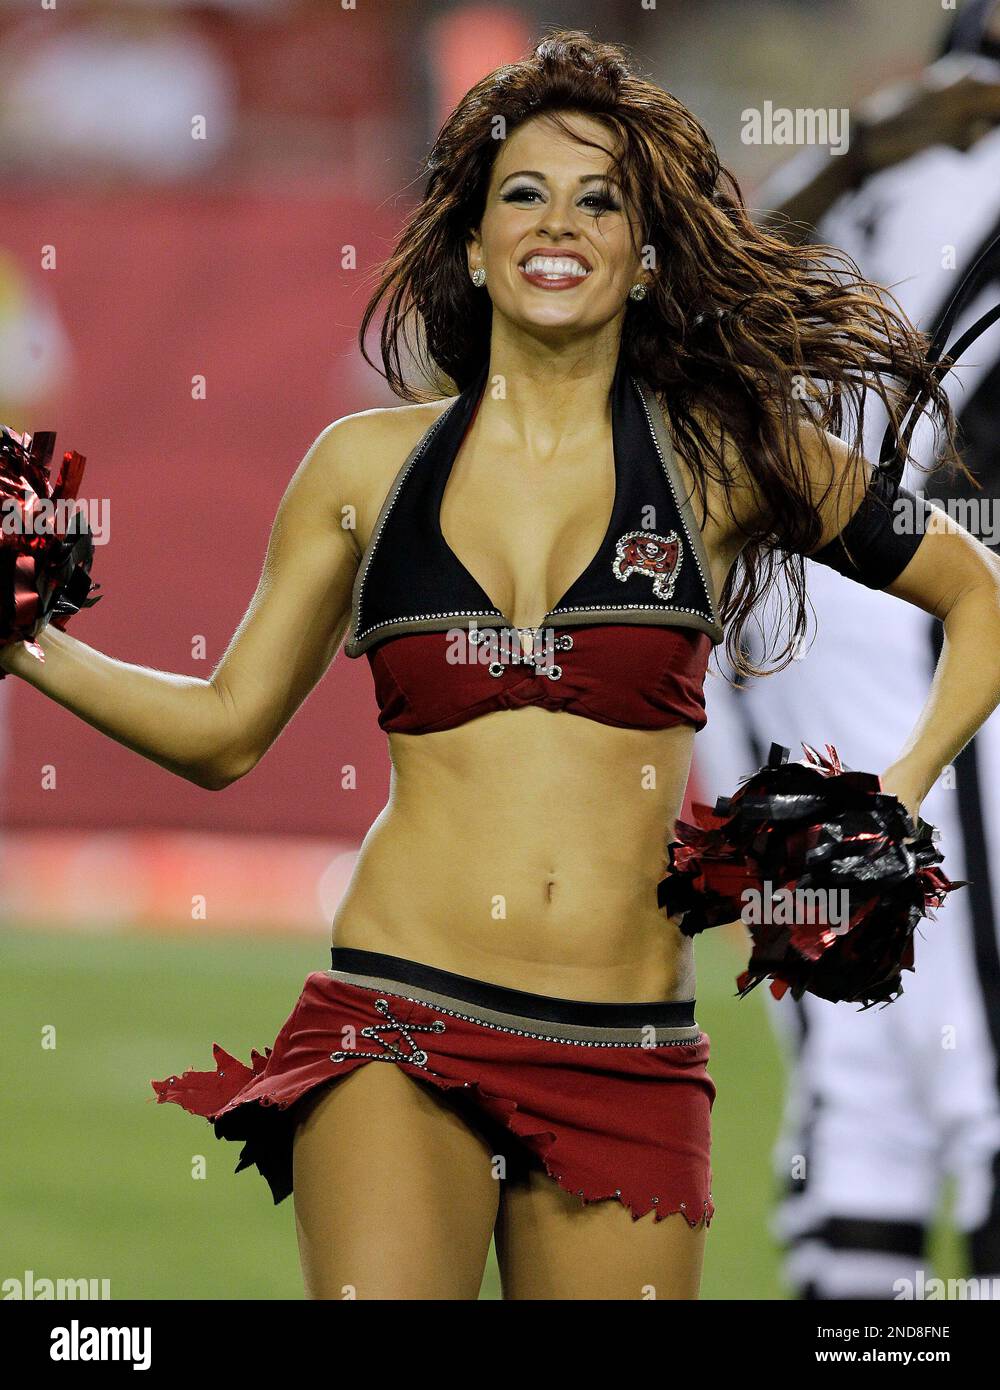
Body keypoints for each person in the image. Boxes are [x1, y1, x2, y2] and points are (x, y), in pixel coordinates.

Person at [3, 30, 999, 1302]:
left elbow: (978, 595)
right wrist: (26, 645)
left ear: (646, 256)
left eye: (601, 200)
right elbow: (223, 730)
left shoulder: (730, 457)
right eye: (520, 192)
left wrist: (902, 786)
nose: (557, 222)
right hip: (396, 1018)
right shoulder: (365, 468)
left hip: (628, 1046)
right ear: (472, 245)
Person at [695, 0, 1000, 1298]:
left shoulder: (839, 181)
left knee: (856, 1067)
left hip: (760, 615)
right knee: (986, 1070)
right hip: (926, 595)